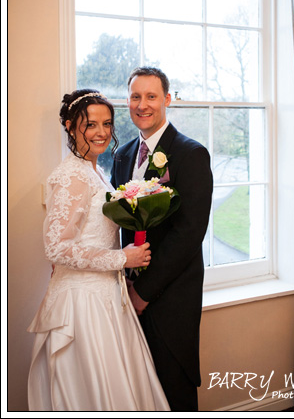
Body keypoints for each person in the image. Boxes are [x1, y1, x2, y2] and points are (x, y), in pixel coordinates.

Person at [27, 89, 170, 412]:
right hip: (83, 304)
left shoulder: (95, 171)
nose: (102, 132)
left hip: (105, 293)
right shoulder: (71, 176)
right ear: (69, 126)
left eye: (107, 123)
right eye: (91, 125)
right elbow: (55, 247)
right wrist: (122, 259)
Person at [111, 67, 213, 411]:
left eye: (151, 96)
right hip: (127, 293)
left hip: (171, 297)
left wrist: (144, 291)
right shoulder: (123, 154)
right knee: (138, 389)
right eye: (135, 97)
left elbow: (188, 234)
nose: (143, 105)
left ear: (167, 100)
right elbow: (116, 223)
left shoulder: (190, 154)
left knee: (174, 388)